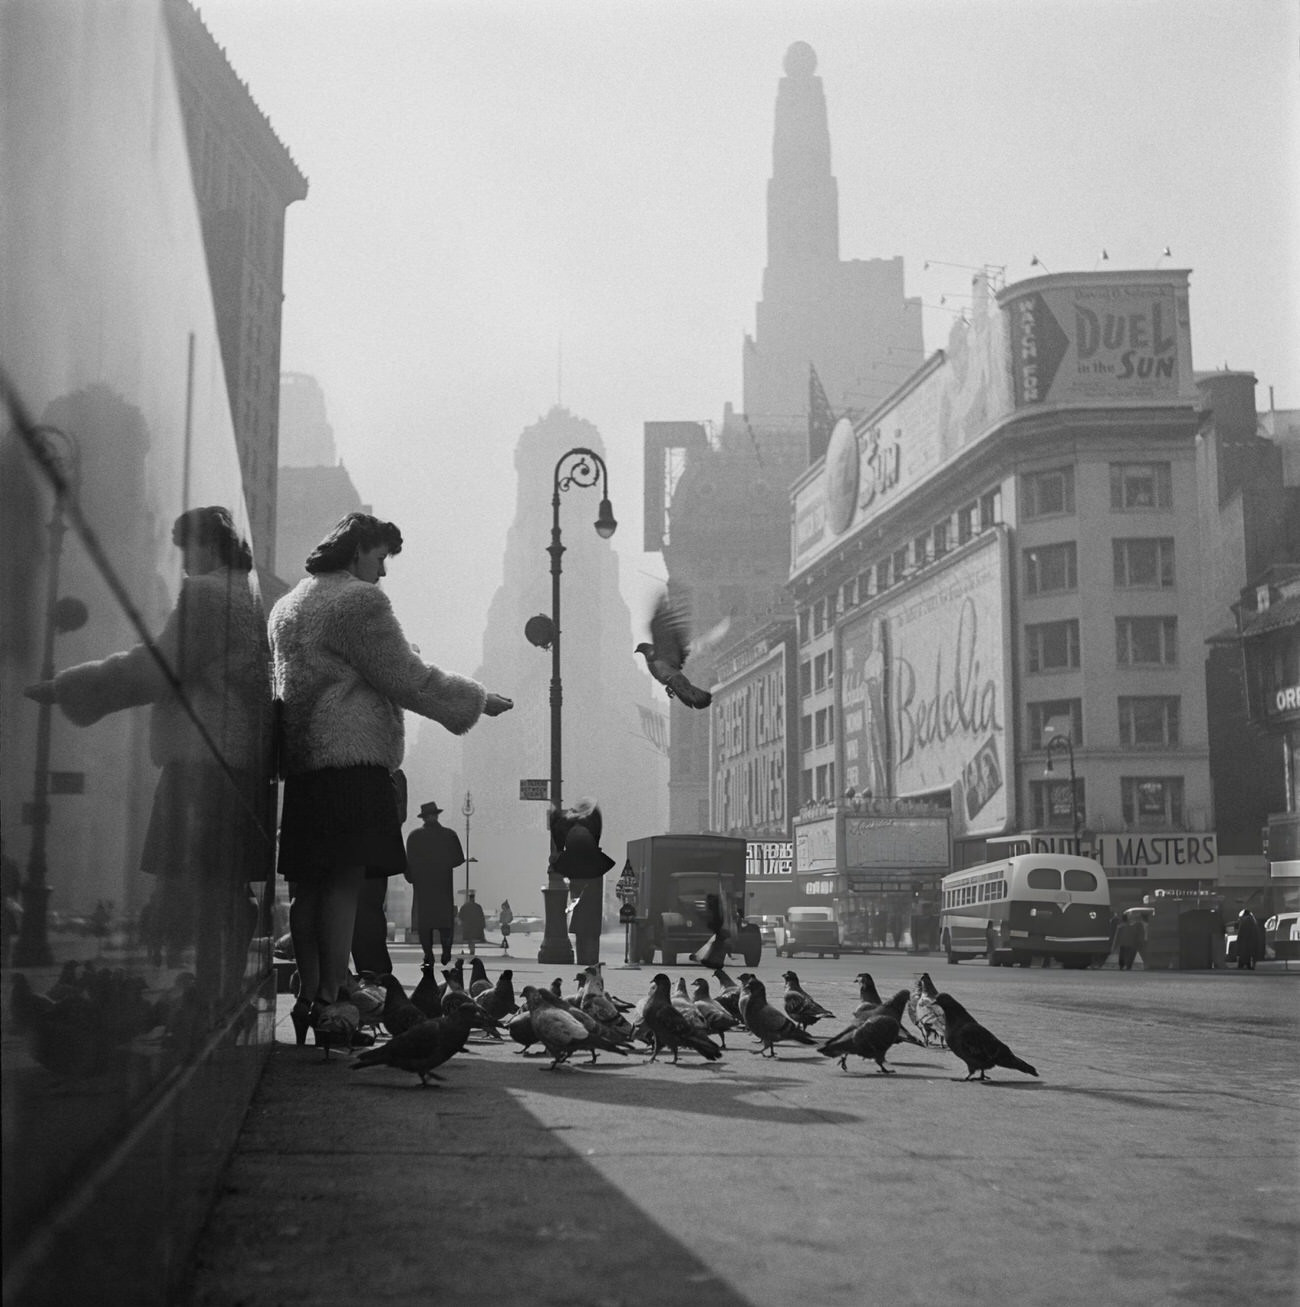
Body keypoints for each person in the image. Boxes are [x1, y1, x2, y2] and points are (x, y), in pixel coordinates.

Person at [270, 511, 512, 1046]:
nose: (383, 573)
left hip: (306, 768)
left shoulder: (288, 605)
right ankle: (336, 1000)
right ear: (357, 550)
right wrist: (477, 700)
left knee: (308, 888)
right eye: (380, 558)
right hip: (353, 763)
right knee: (344, 887)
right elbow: (405, 675)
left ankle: (309, 996)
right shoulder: (359, 602)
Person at [25, 506, 273, 1020]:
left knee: (201, 885)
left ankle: (209, 996)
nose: (183, 562)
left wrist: (71, 688)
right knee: (226, 887)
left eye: (189, 548)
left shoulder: (208, 596)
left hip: (202, 760)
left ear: (211, 545)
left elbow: (157, 667)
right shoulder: (249, 599)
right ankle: (223, 992)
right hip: (241, 762)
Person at [404, 801, 463, 967]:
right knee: (445, 923)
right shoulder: (449, 835)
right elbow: (459, 858)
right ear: (436, 815)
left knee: (425, 924)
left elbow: (407, 862)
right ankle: (446, 952)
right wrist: (444, 865)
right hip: (443, 885)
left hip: (423, 887)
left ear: (424, 817)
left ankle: (428, 954)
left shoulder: (414, 836)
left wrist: (412, 877)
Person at [568, 880, 604, 966]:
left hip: (583, 911)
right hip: (591, 912)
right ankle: (591, 959)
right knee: (590, 935)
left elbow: (574, 889)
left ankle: (584, 959)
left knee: (582, 936)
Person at [458, 888, 486, 957]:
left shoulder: (464, 907)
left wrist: (462, 924)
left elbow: (460, 916)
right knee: (472, 940)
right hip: (475, 927)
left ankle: (468, 951)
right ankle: (472, 951)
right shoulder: (478, 907)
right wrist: (482, 925)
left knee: (468, 940)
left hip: (467, 927)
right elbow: (481, 917)